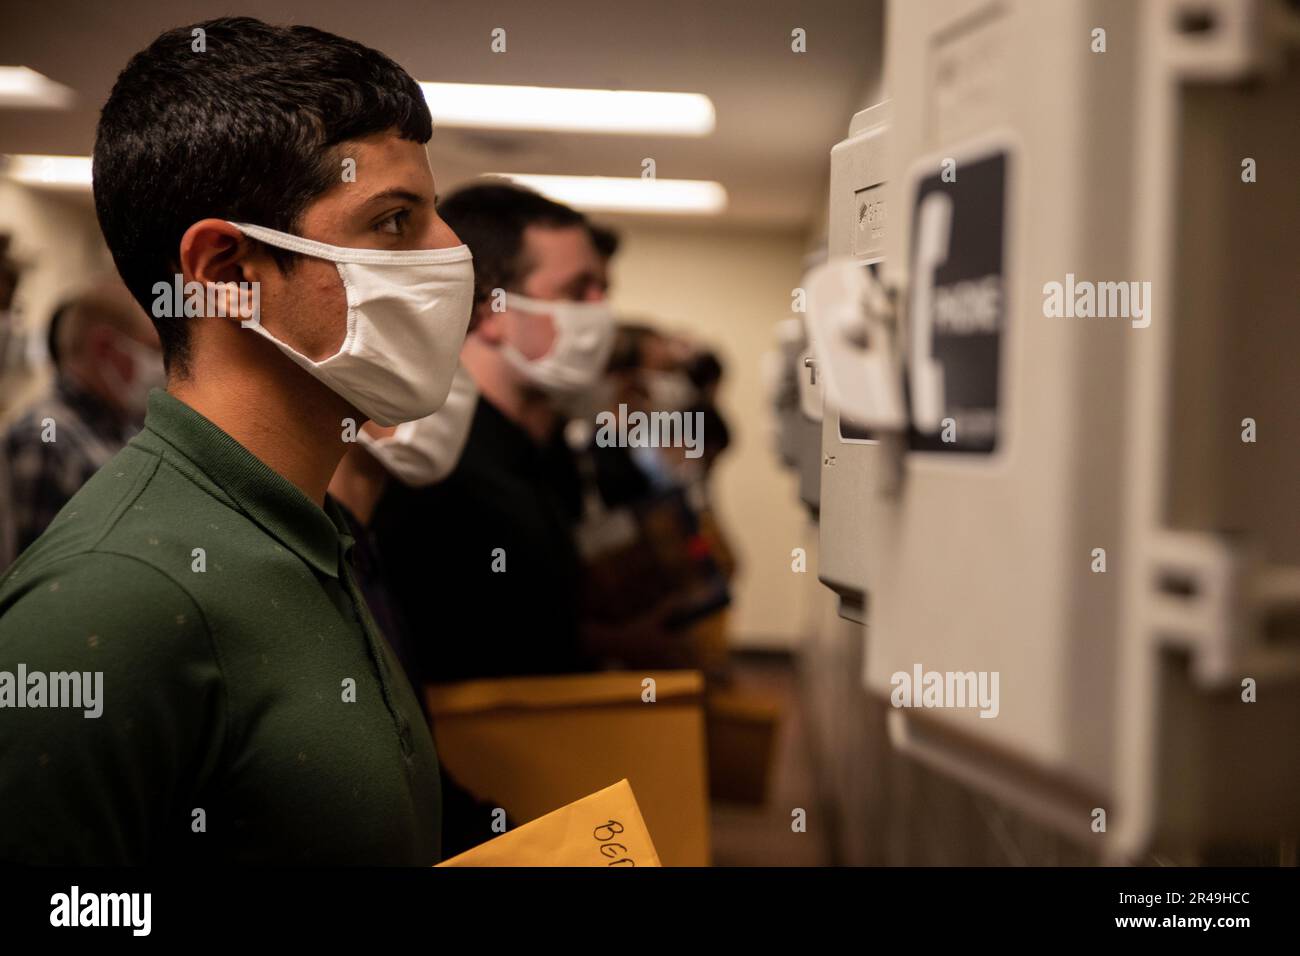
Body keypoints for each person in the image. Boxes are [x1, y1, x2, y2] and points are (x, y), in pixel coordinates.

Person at [0, 17, 472, 865]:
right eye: (395, 222)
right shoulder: (114, 599)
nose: (452, 253)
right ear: (225, 273)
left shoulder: (307, 530)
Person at [371, 181, 618, 683]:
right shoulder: (431, 461)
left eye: (603, 290)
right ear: (490, 311)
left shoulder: (547, 450)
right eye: (577, 290)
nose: (600, 309)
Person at [0, 281, 163, 571]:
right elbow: (38, 578)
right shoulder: (45, 438)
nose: (160, 366)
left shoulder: (126, 425)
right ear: (104, 348)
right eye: (152, 349)